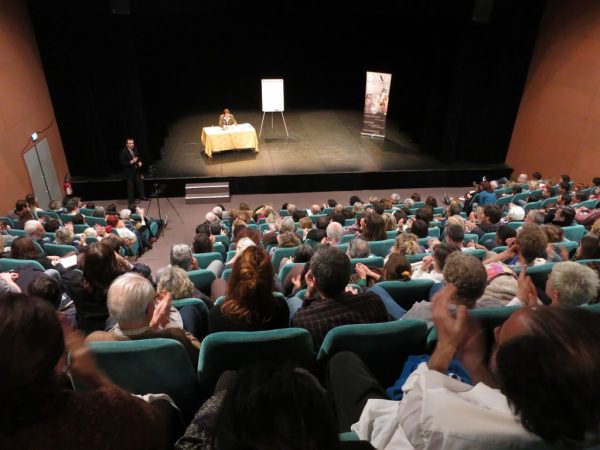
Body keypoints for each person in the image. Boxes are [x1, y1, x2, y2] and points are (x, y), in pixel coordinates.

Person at [327, 289, 600, 448]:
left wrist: (446, 346)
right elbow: (506, 401)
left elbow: (415, 410)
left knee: (344, 361)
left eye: (501, 338)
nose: (494, 329)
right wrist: (474, 362)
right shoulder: (570, 412)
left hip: (390, 435)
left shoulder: (446, 423)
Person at [0, 294, 167, 449]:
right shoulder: (99, 414)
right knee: (163, 405)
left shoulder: (95, 338)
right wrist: (95, 375)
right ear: (60, 360)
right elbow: (150, 422)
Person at [119, 137, 147, 205]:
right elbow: (122, 162)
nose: (132, 144)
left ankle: (142, 196)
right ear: (127, 144)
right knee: (130, 187)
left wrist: (139, 162)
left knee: (140, 183)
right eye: (130, 143)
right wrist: (131, 162)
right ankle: (131, 201)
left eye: (133, 143)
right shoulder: (123, 151)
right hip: (129, 172)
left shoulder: (135, 148)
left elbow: (138, 157)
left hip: (136, 170)